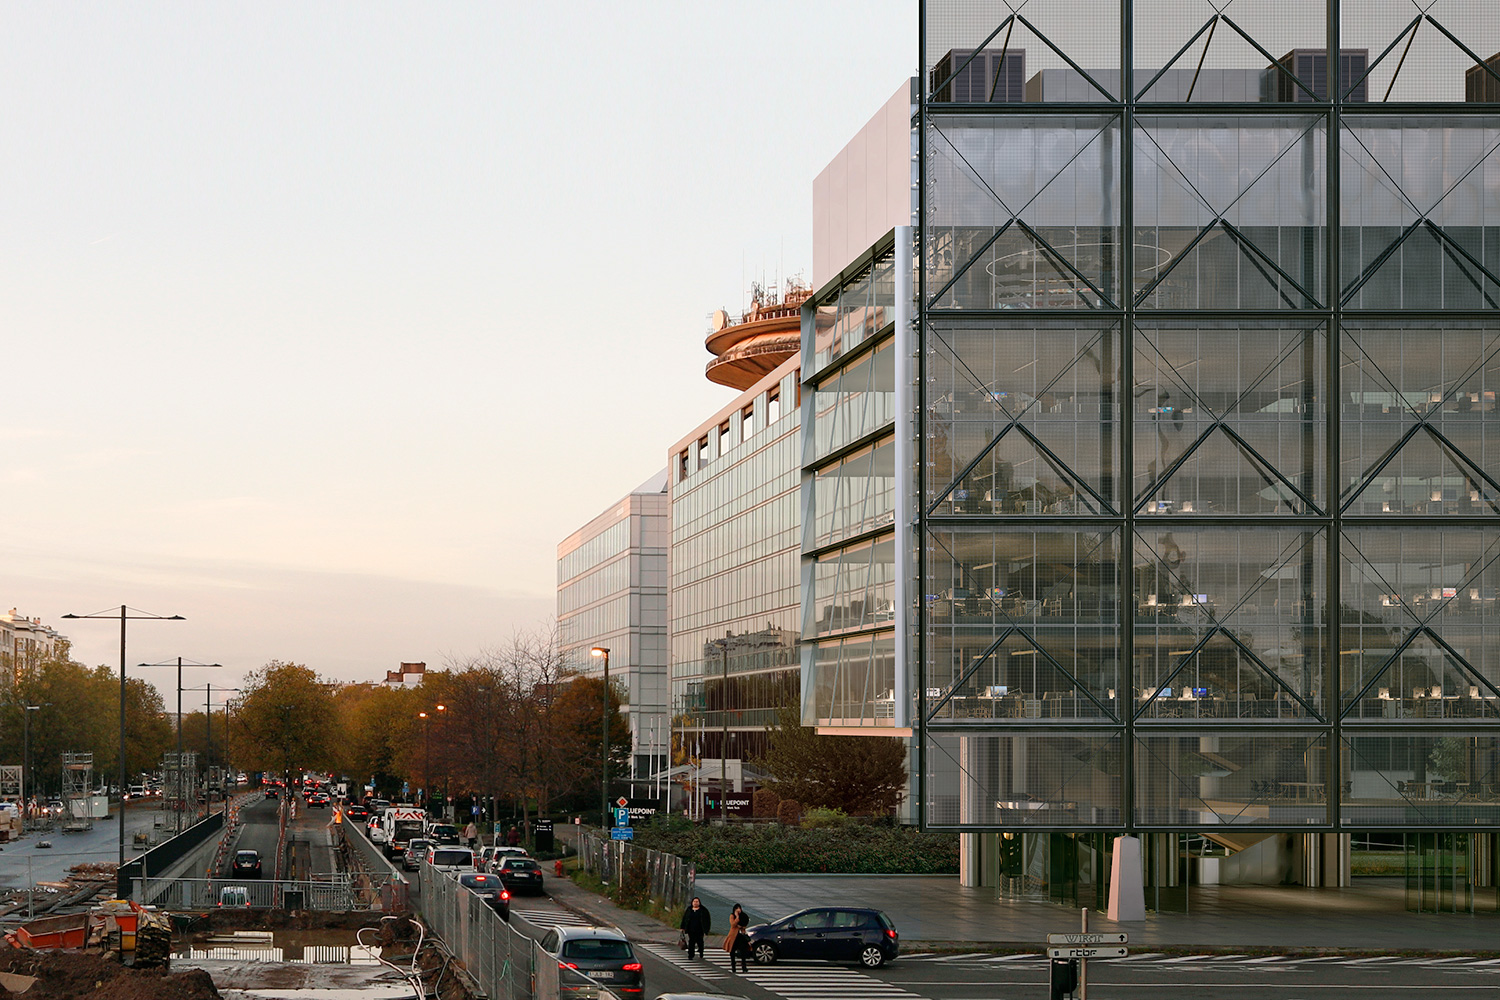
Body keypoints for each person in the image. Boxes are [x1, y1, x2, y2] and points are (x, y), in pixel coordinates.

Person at [724, 902, 751, 973]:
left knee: (743, 951)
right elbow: (733, 925)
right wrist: (737, 917)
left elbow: (745, 923)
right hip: (733, 936)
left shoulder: (744, 916)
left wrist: (742, 927)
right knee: (732, 951)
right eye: (737, 909)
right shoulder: (732, 915)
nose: (738, 910)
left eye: (739, 908)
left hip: (741, 935)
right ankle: (733, 966)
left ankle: (744, 967)